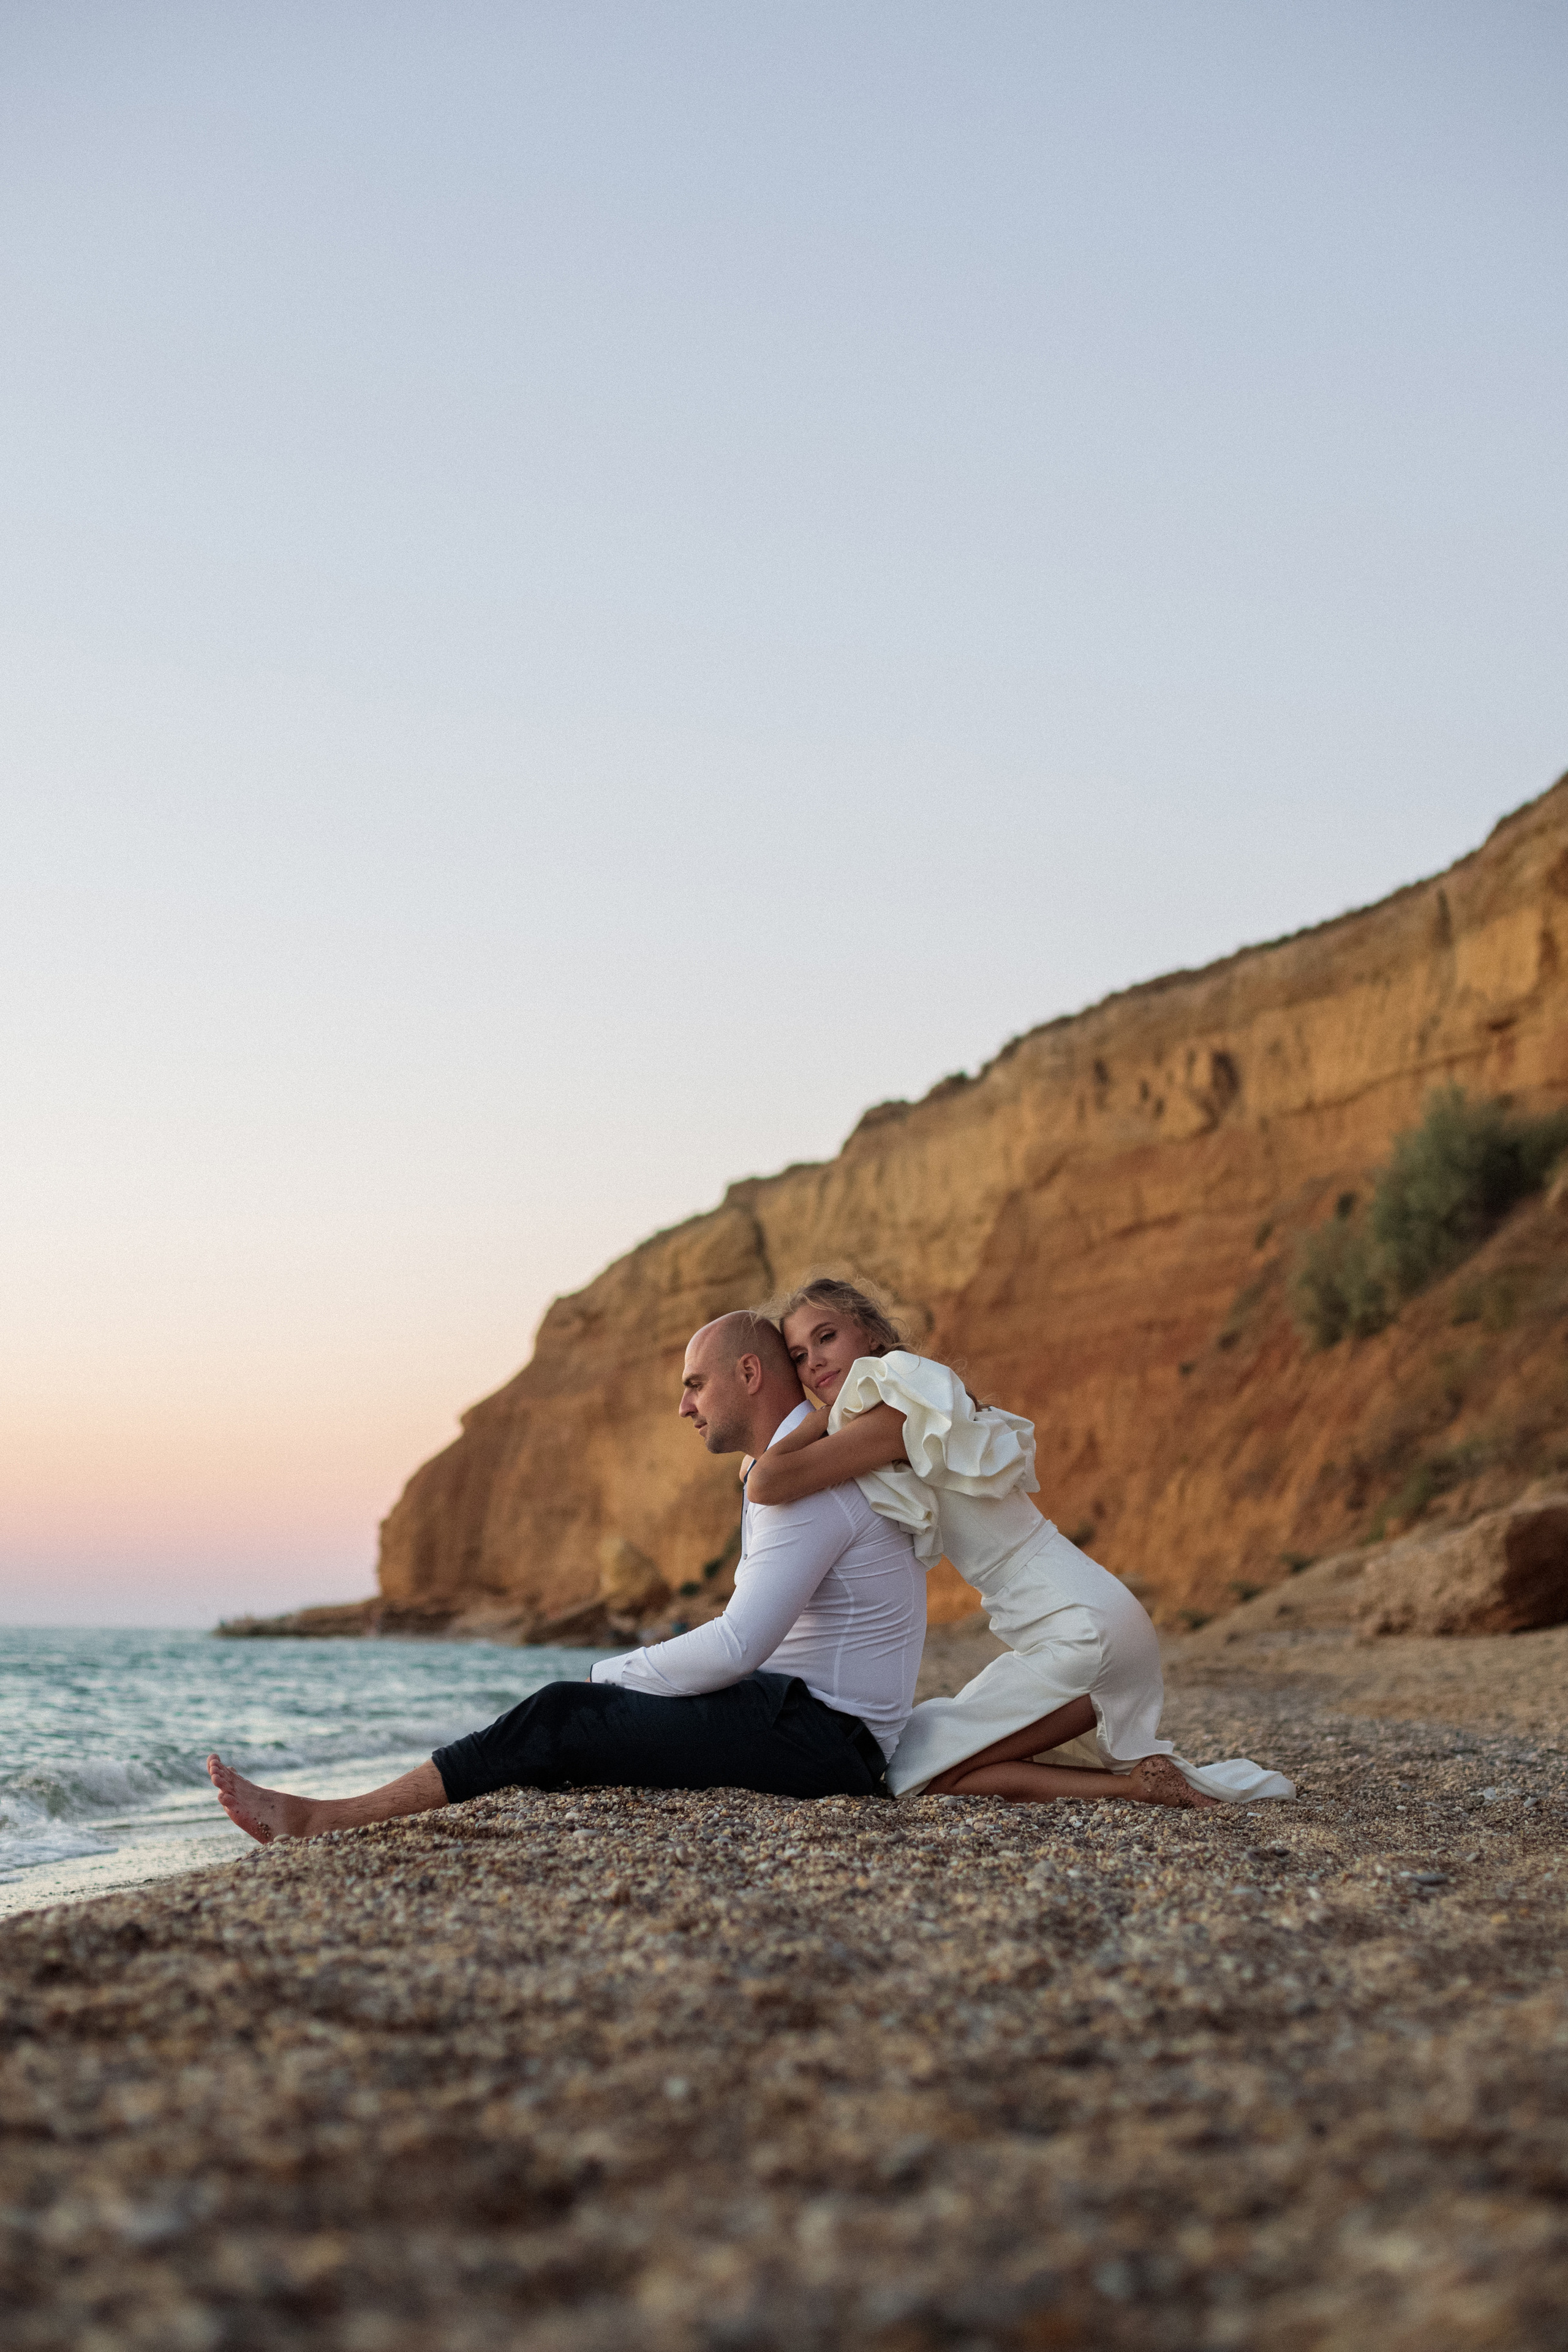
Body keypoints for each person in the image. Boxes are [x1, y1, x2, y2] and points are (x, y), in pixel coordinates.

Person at [206, 1313, 925, 1844]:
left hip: (823, 1738)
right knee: (585, 1730)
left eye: (695, 1385)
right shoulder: (802, 1464)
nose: (684, 1406)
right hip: (813, 1723)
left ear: (748, 1374)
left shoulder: (805, 1483)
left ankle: (325, 1818)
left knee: (560, 1714)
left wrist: (612, 1675)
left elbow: (739, 1644)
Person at [744, 1276, 1294, 1809]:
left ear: (870, 1333)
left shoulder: (896, 1408)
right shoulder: (911, 1402)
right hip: (1096, 1618)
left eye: (826, 1337)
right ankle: (1141, 1782)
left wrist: (814, 1419)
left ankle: (1140, 1789)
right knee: (923, 1747)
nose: (813, 1361)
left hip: (1081, 1632)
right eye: (796, 1356)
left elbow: (765, 1482)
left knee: (914, 1772)